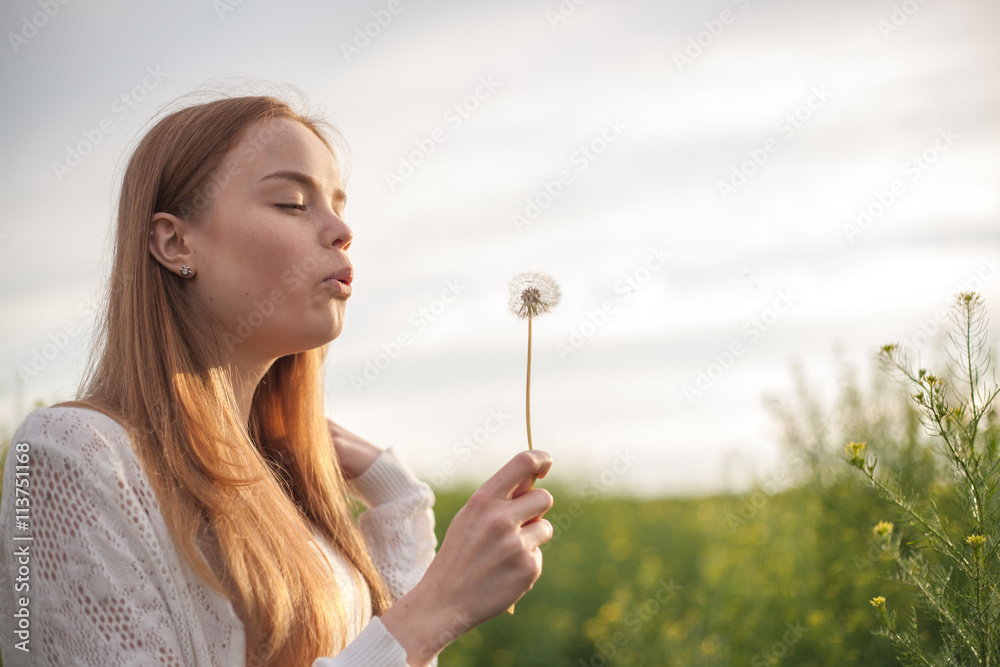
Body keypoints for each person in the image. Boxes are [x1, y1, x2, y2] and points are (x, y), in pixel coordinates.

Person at [0, 93, 555, 666]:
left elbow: (381, 651)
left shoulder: (285, 485)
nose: (342, 229)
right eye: (292, 203)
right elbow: (402, 640)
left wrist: (395, 494)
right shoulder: (73, 454)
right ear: (175, 243)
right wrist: (437, 610)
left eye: (339, 205)